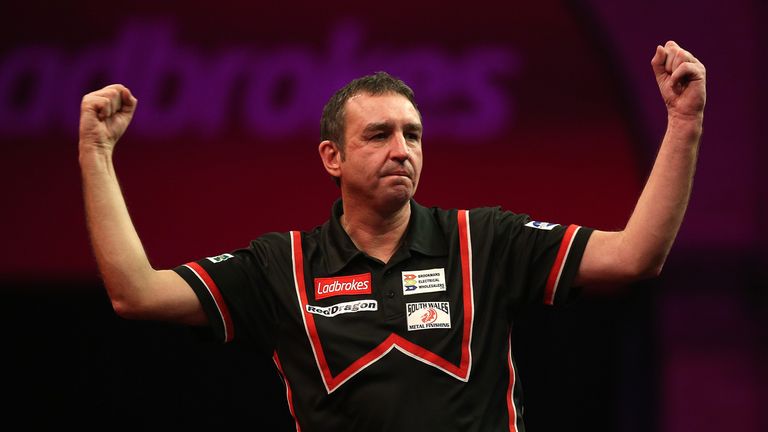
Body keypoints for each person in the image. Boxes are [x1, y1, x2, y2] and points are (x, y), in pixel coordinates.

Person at [78, 40, 706, 431]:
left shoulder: (482, 239)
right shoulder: (283, 264)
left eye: (413, 134)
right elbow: (136, 293)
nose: (402, 149)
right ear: (332, 157)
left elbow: (634, 257)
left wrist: (684, 124)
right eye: (378, 135)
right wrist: (96, 153)